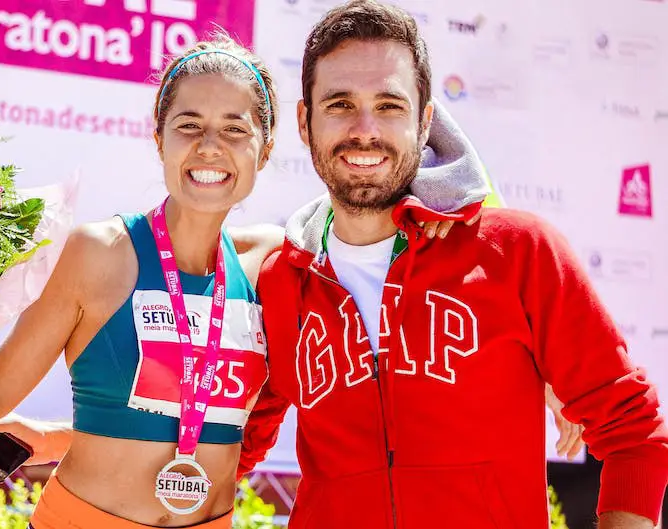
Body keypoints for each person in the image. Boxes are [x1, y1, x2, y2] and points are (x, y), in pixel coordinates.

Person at [0, 32, 491, 529]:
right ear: (158, 137)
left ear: (265, 148)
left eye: (234, 129)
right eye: (188, 125)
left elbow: (387, 199)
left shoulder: (274, 260)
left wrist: (549, 381)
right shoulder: (99, 253)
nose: (210, 146)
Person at [235, 2, 668, 528]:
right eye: (340, 103)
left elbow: (633, 433)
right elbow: (229, 448)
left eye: (390, 105)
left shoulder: (518, 252)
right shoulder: (284, 281)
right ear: (305, 122)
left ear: (425, 121)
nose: (364, 129)